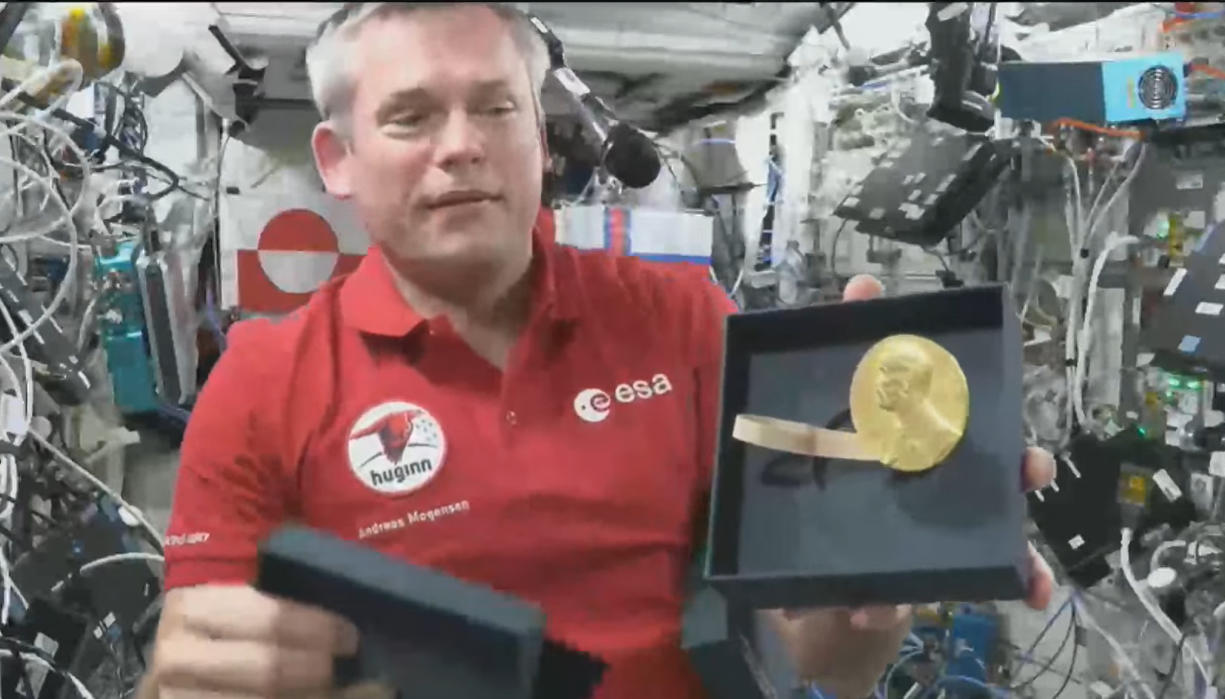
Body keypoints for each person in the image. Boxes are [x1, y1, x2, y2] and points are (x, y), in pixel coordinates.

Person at [141, 4, 1057, 698]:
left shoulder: (682, 319)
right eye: (411, 117)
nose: (461, 147)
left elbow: (820, 659)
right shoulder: (262, 386)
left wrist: (879, 565)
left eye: (496, 108)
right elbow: (203, 664)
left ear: (542, 139)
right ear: (337, 158)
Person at [874, 340, 963, 471]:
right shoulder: (895, 441)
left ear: (905, 385)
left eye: (885, 383)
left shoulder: (944, 439)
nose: (877, 388)